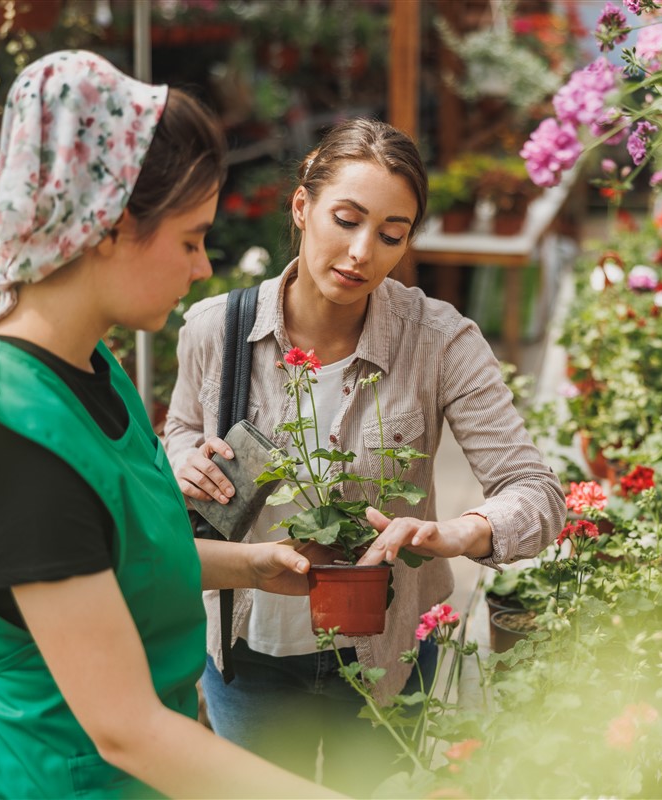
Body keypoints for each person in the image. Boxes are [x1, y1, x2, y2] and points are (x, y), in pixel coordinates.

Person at [0, 51, 337, 799]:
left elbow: (106, 553)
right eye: (190, 240)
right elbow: (126, 728)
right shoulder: (11, 441)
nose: (203, 270)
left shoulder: (83, 365)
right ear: (105, 226)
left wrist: (253, 565)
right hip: (41, 776)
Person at [164, 118, 566, 794]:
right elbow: (178, 427)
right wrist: (178, 458)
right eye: (345, 220)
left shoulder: (438, 340)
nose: (361, 253)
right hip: (247, 649)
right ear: (301, 207)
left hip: (390, 653)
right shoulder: (215, 329)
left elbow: (535, 491)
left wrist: (458, 533)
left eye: (390, 234)